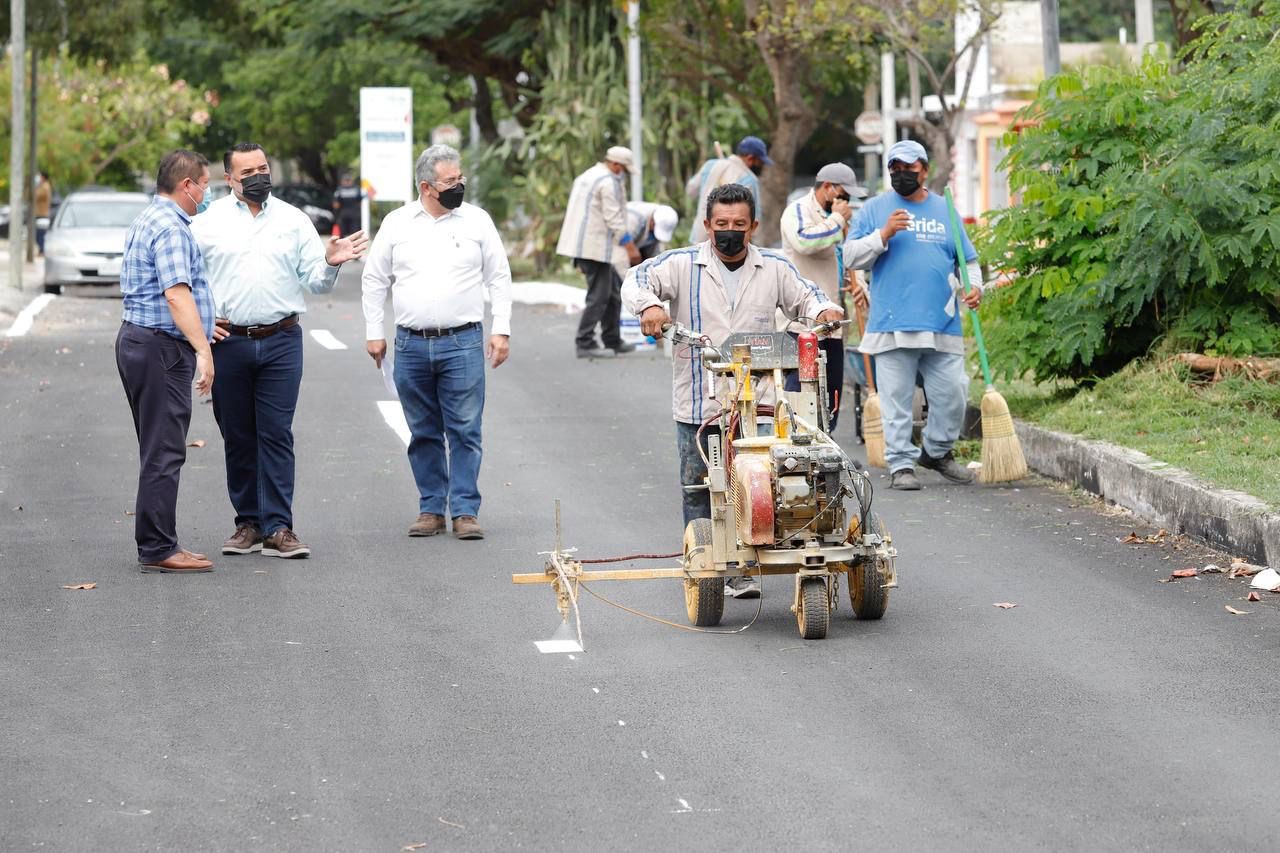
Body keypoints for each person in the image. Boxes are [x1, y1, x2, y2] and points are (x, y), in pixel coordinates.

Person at [622, 183, 843, 598]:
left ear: (753, 226)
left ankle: (746, 564)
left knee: (759, 480)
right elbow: (636, 279)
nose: (729, 231)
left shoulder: (774, 267)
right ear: (707, 225)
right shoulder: (682, 264)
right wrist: (649, 306)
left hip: (759, 402)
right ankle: (705, 567)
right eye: (721, 224)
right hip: (699, 399)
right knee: (699, 485)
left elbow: (808, 297)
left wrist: (824, 310)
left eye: (738, 224)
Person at [191, 142, 369, 559]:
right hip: (228, 341)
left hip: (281, 340)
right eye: (248, 171)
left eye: (264, 168)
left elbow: (318, 282)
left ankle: (278, 527)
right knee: (237, 435)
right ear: (230, 179)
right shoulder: (206, 223)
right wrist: (201, 324)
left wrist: (332, 261)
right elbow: (190, 280)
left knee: (275, 433)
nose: (259, 176)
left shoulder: (294, 220)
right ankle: (248, 524)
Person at [362, 144, 512, 541]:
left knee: (465, 429)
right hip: (411, 345)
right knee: (423, 430)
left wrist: (502, 329)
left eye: (460, 178)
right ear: (427, 186)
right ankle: (431, 507)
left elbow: (499, 278)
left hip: (462, 342)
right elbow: (375, 279)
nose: (459, 185)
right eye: (451, 181)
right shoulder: (397, 224)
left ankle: (464, 510)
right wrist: (374, 331)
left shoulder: (476, 222)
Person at [845, 139, 984, 491]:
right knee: (897, 401)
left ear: (924, 169)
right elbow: (850, 257)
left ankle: (936, 452)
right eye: (895, 168)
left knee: (953, 394)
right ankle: (901, 464)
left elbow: (967, 261)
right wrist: (884, 234)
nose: (902, 174)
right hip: (892, 324)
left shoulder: (946, 209)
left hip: (943, 322)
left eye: (909, 168)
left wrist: (975, 288)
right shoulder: (875, 209)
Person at [116, 150, 216, 573]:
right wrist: (203, 350)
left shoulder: (149, 218)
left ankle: (160, 540)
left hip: (142, 342)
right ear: (187, 185)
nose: (207, 192)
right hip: (160, 349)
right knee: (164, 449)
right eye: (206, 185)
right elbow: (177, 293)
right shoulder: (171, 228)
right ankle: (158, 548)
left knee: (157, 447)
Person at [779, 162, 871, 432]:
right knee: (801, 392)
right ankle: (797, 451)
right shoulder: (797, 211)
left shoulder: (840, 220)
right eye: (844, 194)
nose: (847, 201)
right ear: (828, 188)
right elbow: (805, 243)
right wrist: (837, 221)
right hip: (801, 325)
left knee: (830, 392)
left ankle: (827, 450)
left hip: (833, 325)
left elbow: (846, 259)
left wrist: (859, 286)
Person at [556, 146, 640, 359]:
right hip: (593, 248)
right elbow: (613, 218)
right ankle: (584, 342)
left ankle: (613, 339)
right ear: (616, 165)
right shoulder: (607, 181)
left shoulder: (590, 175)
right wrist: (629, 246)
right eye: (623, 170)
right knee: (599, 296)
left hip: (587, 246)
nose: (624, 175)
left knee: (613, 292)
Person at [686, 136, 772, 243]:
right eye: (760, 163)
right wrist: (758, 248)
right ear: (751, 158)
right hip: (728, 244)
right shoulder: (750, 179)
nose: (762, 167)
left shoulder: (710, 165)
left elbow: (690, 191)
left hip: (700, 238)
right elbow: (755, 218)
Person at [34, 172, 52, 255]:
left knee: (40, 234)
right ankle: (41, 250)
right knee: (39, 234)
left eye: (40, 176)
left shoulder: (45, 187)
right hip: (40, 214)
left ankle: (42, 250)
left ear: (43, 177)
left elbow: (36, 196)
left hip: (43, 214)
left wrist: (36, 186)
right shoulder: (43, 186)